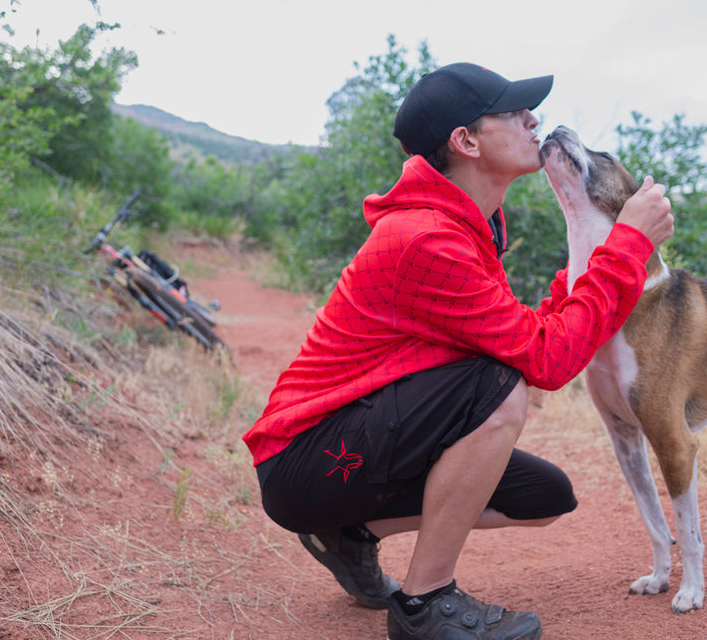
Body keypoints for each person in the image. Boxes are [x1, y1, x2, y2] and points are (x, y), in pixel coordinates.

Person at [242, 62, 674, 640]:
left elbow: (530, 332)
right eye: (512, 112)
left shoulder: (466, 224)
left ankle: (350, 533)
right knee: (497, 385)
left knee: (544, 498)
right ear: (465, 141)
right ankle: (426, 605)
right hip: (303, 457)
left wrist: (598, 259)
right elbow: (544, 361)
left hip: (347, 444)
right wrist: (628, 246)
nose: (532, 120)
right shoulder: (427, 237)